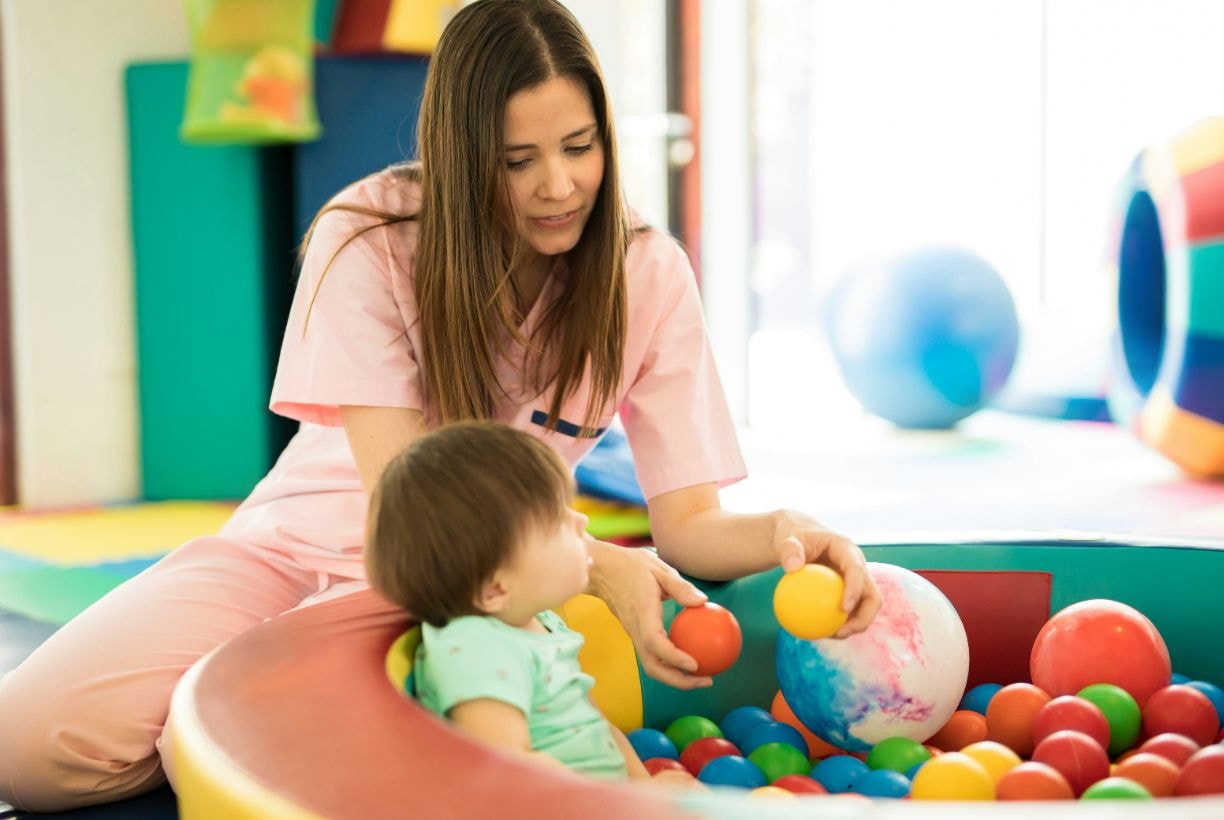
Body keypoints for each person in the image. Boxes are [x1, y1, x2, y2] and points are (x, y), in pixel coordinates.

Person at [0, 0, 880, 811]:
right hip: (298, 549)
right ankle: (202, 718)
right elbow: (404, 502)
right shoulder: (370, 236)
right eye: (517, 161)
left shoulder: (647, 274)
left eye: (579, 146)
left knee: (240, 757)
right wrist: (600, 566)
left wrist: (784, 535)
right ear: (461, 156)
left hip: (453, 589)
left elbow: (687, 524)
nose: (559, 187)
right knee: (26, 753)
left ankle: (214, 728)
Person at [367, 420, 685, 784]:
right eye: (556, 521)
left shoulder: (541, 622)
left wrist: (643, 790)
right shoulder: (476, 648)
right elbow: (509, 770)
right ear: (495, 590)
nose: (581, 520)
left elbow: (595, 726)